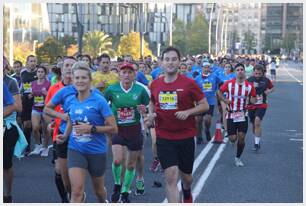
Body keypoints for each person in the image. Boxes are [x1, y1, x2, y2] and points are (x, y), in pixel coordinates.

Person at [145, 47, 209, 203]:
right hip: (164, 136)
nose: (170, 62)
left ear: (179, 62)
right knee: (171, 177)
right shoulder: (155, 84)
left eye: (174, 59)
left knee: (186, 178)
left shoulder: (189, 83)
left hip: (186, 136)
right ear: (161, 62)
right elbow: (152, 103)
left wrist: (188, 112)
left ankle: (187, 191)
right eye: (167, 59)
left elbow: (204, 105)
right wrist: (151, 115)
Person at [56, 62, 117, 203]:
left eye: (84, 78)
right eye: (77, 78)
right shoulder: (70, 100)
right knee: (76, 191)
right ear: (73, 80)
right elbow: (71, 119)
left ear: (90, 80)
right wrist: (65, 135)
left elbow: (114, 128)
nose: (80, 81)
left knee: (99, 191)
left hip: (96, 151)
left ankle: (103, 201)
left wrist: (92, 129)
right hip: (75, 149)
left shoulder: (99, 100)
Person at [104, 62, 150, 203]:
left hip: (134, 129)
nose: (126, 75)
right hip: (118, 129)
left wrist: (144, 111)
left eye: (129, 72)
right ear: (119, 74)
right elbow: (103, 105)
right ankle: (118, 184)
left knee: (130, 164)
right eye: (123, 72)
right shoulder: (112, 89)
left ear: (134, 75)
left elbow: (147, 107)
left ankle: (125, 192)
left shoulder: (140, 90)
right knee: (117, 160)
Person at [44, 56, 77, 202]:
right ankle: (65, 198)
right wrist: (51, 122)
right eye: (67, 65)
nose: (69, 68)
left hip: (78, 134)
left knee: (76, 169)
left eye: (72, 65)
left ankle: (76, 195)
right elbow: (46, 110)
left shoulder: (81, 87)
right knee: (59, 170)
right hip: (59, 133)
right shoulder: (54, 88)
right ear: (62, 70)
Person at [218, 63, 256, 167]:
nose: (240, 71)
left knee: (242, 137)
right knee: (233, 138)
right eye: (238, 70)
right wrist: (225, 100)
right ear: (235, 72)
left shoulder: (249, 86)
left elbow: (253, 98)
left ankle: (238, 158)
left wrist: (253, 100)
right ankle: (232, 140)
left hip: (243, 114)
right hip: (231, 114)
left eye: (241, 69)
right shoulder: (229, 84)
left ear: (244, 71)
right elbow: (219, 92)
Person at [247, 64, 274, 151]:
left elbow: (272, 88)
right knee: (254, 124)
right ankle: (256, 139)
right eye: (256, 73)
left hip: (262, 104)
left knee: (257, 122)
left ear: (262, 73)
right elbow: (244, 90)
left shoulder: (266, 80)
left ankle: (256, 143)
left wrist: (268, 91)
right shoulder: (249, 80)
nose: (257, 75)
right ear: (253, 73)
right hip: (251, 105)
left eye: (259, 73)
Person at [194, 62, 220, 144]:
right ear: (202, 68)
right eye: (205, 67)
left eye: (208, 67)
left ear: (210, 68)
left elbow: (222, 83)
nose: (206, 69)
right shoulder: (197, 78)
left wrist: (218, 91)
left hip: (210, 101)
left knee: (207, 119)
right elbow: (193, 90)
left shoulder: (214, 77)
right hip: (200, 102)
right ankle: (199, 137)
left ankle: (207, 129)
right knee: (199, 120)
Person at [29, 65, 51, 156]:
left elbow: (52, 97)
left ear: (45, 73)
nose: (40, 73)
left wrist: (46, 93)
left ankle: (45, 147)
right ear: (36, 73)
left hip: (46, 109)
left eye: (42, 72)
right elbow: (31, 93)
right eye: (38, 72)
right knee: (35, 128)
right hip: (36, 108)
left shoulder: (48, 84)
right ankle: (38, 145)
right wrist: (30, 95)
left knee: (46, 129)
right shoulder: (33, 83)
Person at [20, 55, 38, 155]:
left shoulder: (38, 72)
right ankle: (27, 146)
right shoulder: (23, 72)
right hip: (26, 100)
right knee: (26, 124)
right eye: (31, 61)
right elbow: (22, 86)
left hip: (36, 100)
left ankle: (40, 144)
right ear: (27, 62)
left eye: (34, 61)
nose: (33, 63)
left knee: (36, 125)